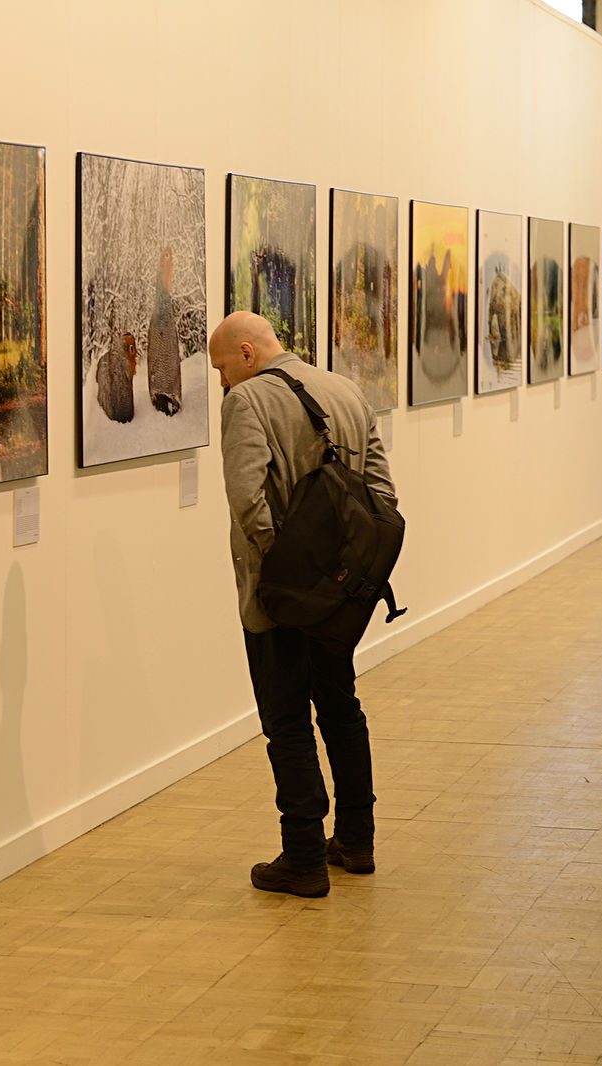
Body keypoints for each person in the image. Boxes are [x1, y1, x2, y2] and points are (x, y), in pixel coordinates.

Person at [208, 311, 396, 898]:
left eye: (221, 370)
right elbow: (383, 495)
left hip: (280, 597)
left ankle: (304, 857)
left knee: (286, 721)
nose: (221, 384)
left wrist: (289, 569)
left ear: (246, 352)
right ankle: (357, 840)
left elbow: (248, 500)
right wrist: (344, 575)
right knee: (341, 707)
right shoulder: (345, 390)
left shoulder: (247, 403)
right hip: (340, 597)